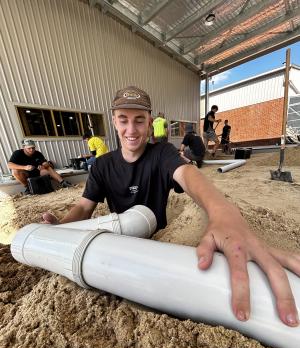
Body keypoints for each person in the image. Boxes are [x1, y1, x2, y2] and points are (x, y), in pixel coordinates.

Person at [43, 85, 299, 328]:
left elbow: (189, 175)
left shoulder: (161, 153)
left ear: (150, 120)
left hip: (161, 239)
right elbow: (84, 207)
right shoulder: (102, 165)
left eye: (139, 120)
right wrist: (61, 228)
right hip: (120, 241)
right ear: (114, 121)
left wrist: (223, 212)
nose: (131, 129)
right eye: (123, 119)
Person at [7, 139, 73, 194]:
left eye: (33, 148)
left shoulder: (38, 153)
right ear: (24, 147)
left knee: (48, 168)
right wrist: (25, 167)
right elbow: (9, 165)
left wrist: (43, 165)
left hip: (37, 172)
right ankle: (28, 187)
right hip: (25, 173)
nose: (31, 150)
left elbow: (47, 164)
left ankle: (63, 182)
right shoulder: (17, 153)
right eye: (29, 148)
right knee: (15, 171)